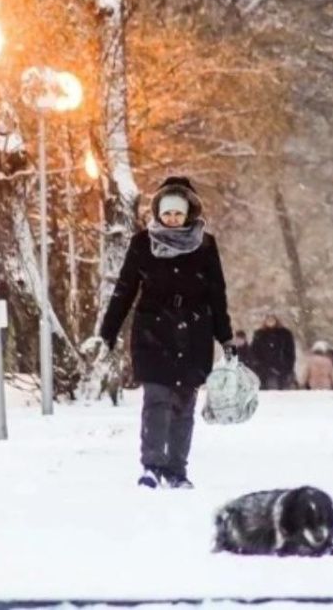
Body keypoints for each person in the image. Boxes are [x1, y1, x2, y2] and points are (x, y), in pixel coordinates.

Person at [99, 177, 234, 490]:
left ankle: (176, 469)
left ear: (189, 213)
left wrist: (225, 337)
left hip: (194, 332)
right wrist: (108, 332)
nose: (173, 219)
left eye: (179, 213)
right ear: (158, 212)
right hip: (154, 332)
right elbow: (124, 290)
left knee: (184, 404)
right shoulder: (143, 243)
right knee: (156, 399)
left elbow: (217, 293)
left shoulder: (206, 244)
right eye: (168, 213)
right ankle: (151, 466)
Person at [251, 314, 296, 390]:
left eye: (272, 319)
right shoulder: (260, 334)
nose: (270, 322)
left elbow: (290, 351)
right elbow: (254, 351)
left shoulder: (285, 334)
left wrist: (288, 365)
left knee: (284, 392)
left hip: (282, 368)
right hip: (265, 370)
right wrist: (258, 365)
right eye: (268, 319)